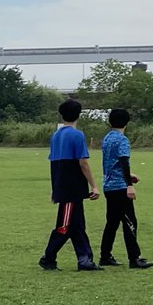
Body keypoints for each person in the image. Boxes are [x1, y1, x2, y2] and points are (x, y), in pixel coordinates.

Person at [39, 99, 100, 271]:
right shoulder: (77, 135)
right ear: (78, 115)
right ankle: (48, 257)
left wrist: (54, 188)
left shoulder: (56, 135)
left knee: (77, 225)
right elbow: (82, 162)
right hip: (72, 188)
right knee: (65, 226)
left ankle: (85, 260)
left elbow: (54, 164)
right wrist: (94, 185)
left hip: (63, 186)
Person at [99, 108, 153, 269]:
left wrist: (129, 175)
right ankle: (134, 258)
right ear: (127, 122)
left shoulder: (107, 138)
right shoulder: (122, 140)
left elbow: (112, 163)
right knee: (130, 221)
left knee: (112, 222)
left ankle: (105, 255)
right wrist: (129, 184)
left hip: (108, 185)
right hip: (120, 187)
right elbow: (123, 161)